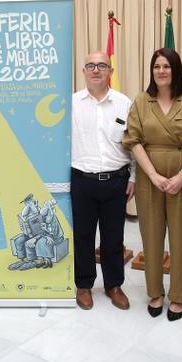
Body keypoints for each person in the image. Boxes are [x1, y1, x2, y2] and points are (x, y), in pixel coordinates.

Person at [123, 48, 182, 321]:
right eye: (157, 66)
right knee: (152, 235)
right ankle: (155, 292)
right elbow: (133, 140)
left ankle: (179, 296)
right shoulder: (141, 101)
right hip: (150, 177)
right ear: (152, 71)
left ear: (176, 70)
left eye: (167, 66)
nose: (161, 71)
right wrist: (154, 176)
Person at [71, 51, 135, 310]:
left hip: (116, 181)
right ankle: (84, 285)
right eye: (90, 65)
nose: (96, 70)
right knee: (83, 236)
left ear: (110, 71)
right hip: (82, 181)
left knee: (113, 236)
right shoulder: (72, 103)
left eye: (102, 65)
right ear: (84, 71)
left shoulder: (124, 103)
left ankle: (114, 285)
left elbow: (133, 144)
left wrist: (133, 178)